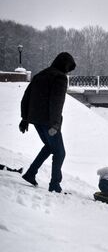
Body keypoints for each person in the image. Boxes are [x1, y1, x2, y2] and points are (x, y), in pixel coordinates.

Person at [19, 52, 76, 193]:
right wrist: (55, 124)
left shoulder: (40, 75)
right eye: (68, 67)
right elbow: (57, 102)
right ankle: (55, 185)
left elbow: (26, 97)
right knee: (60, 153)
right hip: (49, 121)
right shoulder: (60, 78)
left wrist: (24, 119)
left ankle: (31, 173)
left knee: (50, 147)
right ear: (64, 64)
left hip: (36, 119)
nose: (68, 71)